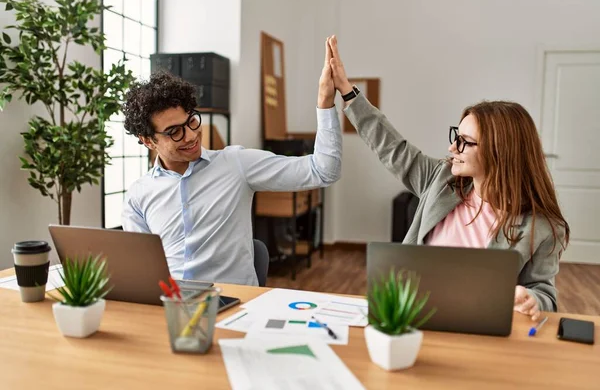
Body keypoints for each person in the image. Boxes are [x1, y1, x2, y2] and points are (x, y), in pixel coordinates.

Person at [325, 36, 569, 320]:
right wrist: (347, 90)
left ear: (499, 152)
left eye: (465, 141)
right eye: (456, 136)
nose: (453, 148)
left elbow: (545, 293)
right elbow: (390, 145)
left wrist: (533, 299)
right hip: (409, 314)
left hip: (479, 325)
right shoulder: (440, 180)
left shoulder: (542, 227)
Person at [121, 37, 341, 286]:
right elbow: (139, 269)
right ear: (148, 140)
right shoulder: (138, 195)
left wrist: (325, 101)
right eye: (175, 132)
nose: (192, 135)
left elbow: (324, 171)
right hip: (172, 306)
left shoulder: (235, 164)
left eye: (192, 121)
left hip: (234, 303)